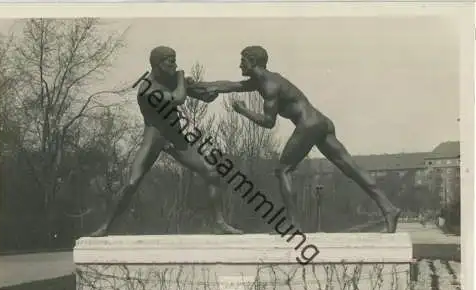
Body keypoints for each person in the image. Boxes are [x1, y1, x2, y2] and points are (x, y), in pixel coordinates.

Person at [190, 45, 401, 233]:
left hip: (308, 125)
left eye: (242, 60)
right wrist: (199, 86)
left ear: (252, 62)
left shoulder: (269, 86)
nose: (239, 65)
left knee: (283, 171)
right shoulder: (266, 79)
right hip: (321, 122)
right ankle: (389, 209)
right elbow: (230, 85)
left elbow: (268, 122)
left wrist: (243, 111)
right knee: (350, 168)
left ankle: (294, 225)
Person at [88, 46, 243, 237]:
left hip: (175, 137)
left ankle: (219, 223)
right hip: (154, 137)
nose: (175, 64)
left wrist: (234, 88)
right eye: (171, 61)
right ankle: (105, 226)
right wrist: (181, 78)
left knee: (211, 171)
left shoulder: (170, 80)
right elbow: (178, 98)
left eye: (175, 60)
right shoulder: (147, 89)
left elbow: (204, 89)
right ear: (157, 64)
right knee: (131, 182)